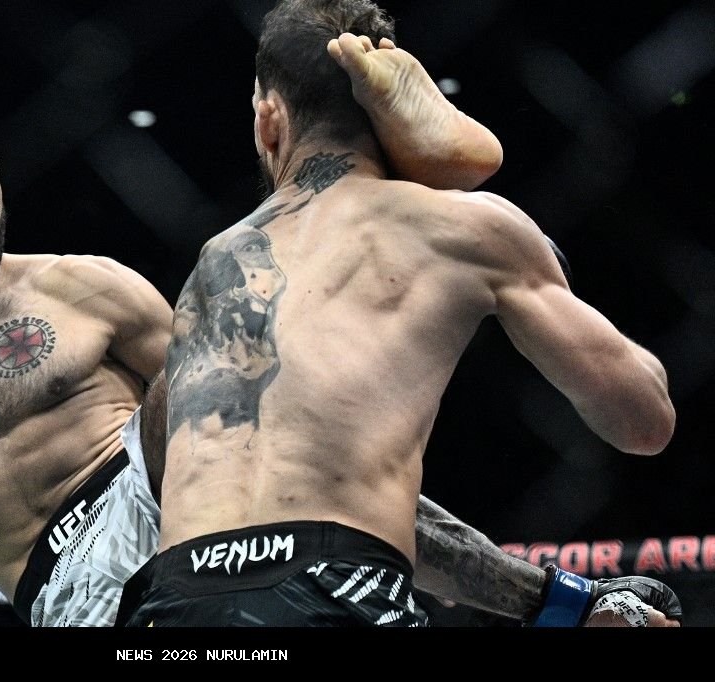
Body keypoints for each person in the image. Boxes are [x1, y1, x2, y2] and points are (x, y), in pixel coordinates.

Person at [0, 55, 677, 628]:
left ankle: (557, 601)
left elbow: (259, 420)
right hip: (65, 585)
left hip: (173, 491)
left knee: (254, 373)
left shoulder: (85, 287)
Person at [121, 0, 678, 627]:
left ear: (267, 120)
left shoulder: (214, 264)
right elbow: (643, 419)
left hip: (176, 603)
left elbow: (206, 485)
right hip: (338, 583)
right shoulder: (464, 228)